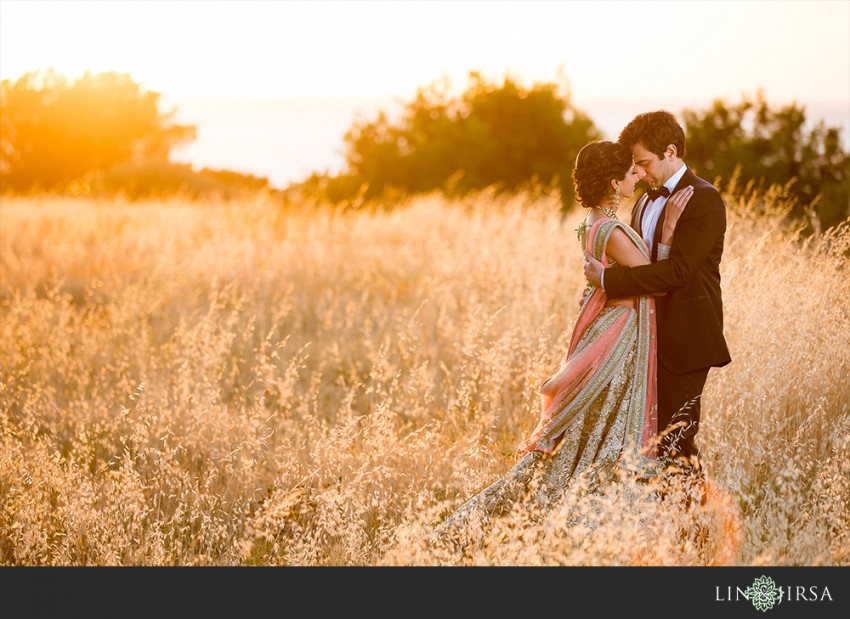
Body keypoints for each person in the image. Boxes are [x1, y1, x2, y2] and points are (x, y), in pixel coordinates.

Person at [432, 140, 693, 542]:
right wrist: (671, 231)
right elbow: (654, 280)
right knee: (608, 425)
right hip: (619, 335)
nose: (637, 176)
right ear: (612, 181)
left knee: (591, 424)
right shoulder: (611, 230)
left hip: (610, 326)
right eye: (629, 171)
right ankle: (578, 521)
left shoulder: (593, 221)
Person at [583, 111, 731, 480]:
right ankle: (663, 530)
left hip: (685, 336)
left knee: (676, 443)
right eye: (636, 166)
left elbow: (676, 273)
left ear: (670, 151)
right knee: (647, 444)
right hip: (644, 338)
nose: (642, 173)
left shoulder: (704, 200)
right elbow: (641, 265)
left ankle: (695, 532)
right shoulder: (645, 201)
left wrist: (606, 281)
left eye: (645, 163)